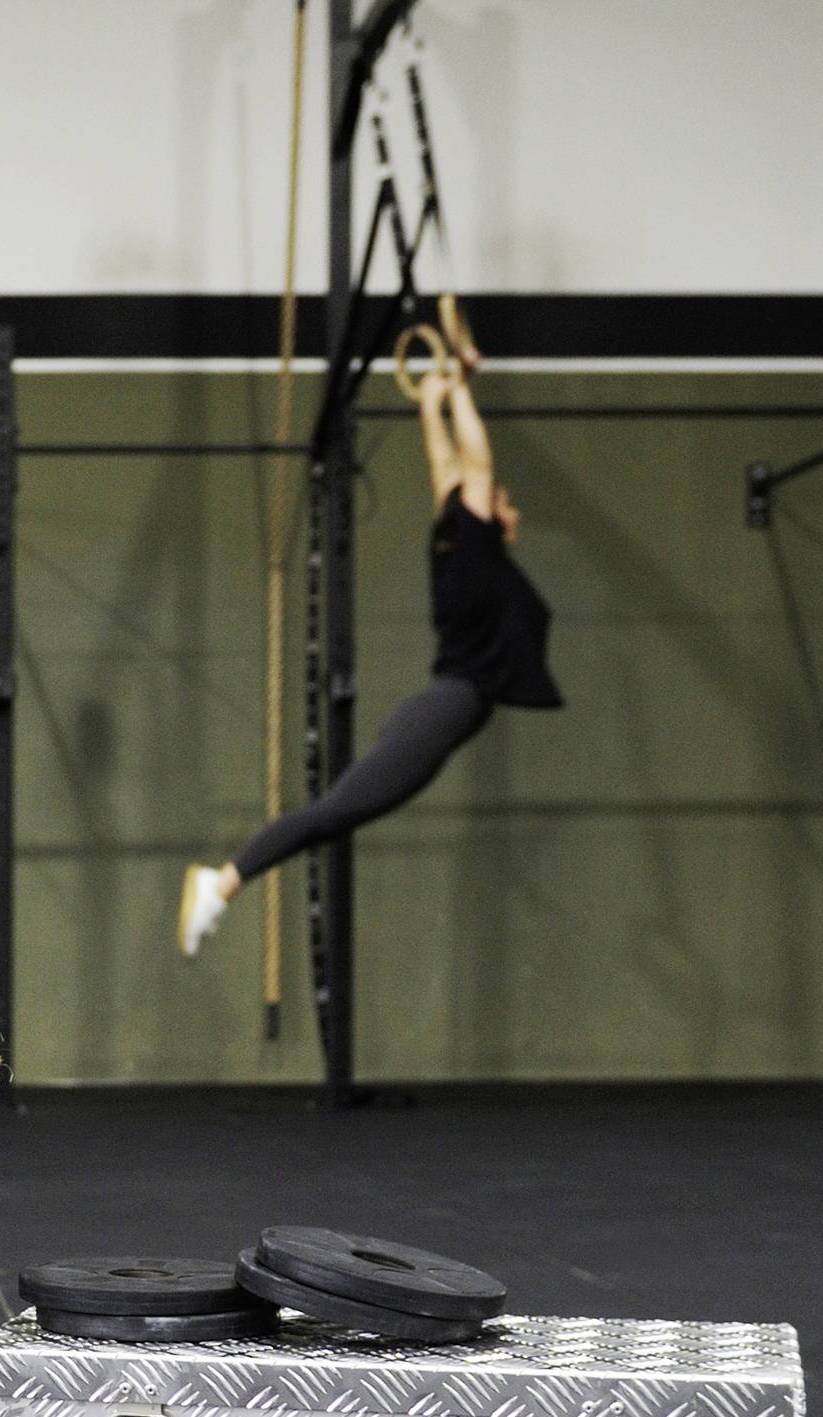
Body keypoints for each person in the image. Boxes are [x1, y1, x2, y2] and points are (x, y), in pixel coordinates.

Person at [179, 336, 563, 955]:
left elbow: (449, 469)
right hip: (448, 706)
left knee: (336, 815)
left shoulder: (464, 553)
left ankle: (223, 883)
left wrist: (431, 403)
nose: (508, 504)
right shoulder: (472, 541)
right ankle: (221, 882)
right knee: (334, 814)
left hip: (444, 708)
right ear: (484, 507)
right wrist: (458, 388)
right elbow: (474, 467)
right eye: (501, 500)